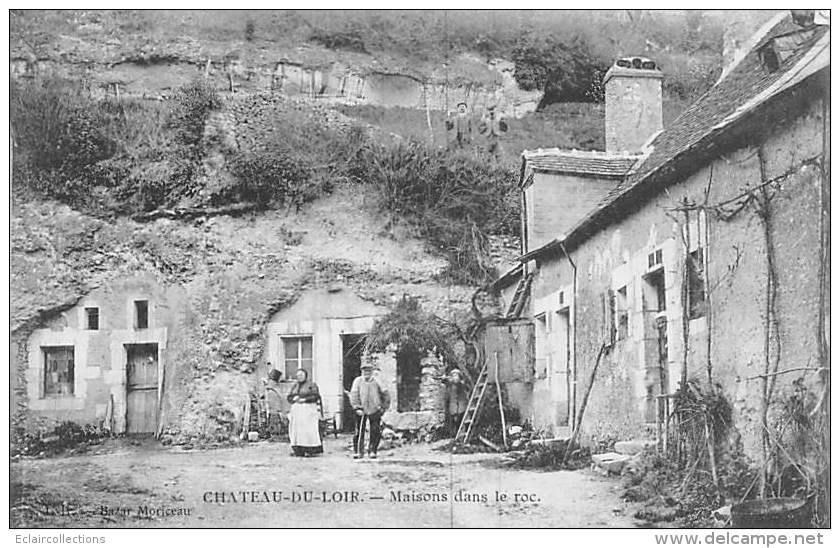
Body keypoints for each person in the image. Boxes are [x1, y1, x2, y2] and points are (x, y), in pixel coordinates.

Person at [349, 363, 391, 459]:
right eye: (364, 371)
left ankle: (372, 450)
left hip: (375, 409)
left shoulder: (378, 381)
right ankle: (358, 451)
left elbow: (386, 395)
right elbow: (354, 395)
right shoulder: (358, 381)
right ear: (362, 372)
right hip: (361, 409)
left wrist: (383, 408)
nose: (366, 373)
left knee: (375, 431)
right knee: (358, 431)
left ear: (372, 372)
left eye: (369, 371)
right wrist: (357, 407)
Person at [286, 368, 323, 457]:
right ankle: (298, 450)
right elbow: (289, 397)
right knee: (296, 430)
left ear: (305, 376)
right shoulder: (295, 386)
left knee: (307, 430)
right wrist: (293, 399)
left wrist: (304, 399)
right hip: (296, 411)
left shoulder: (312, 385)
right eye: (298, 376)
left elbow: (316, 396)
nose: (299, 377)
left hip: (308, 410)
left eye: (301, 375)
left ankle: (310, 450)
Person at [262, 367, 287, 439]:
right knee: (270, 422)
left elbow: (279, 402)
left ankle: (276, 435)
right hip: (269, 410)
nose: (270, 382)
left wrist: (279, 411)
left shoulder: (276, 391)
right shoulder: (268, 390)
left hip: (275, 411)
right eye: (269, 380)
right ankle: (271, 434)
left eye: (271, 381)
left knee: (275, 423)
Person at [444, 369, 470, 437]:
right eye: (453, 375)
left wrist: (452, 380)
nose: (454, 377)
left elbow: (460, 384)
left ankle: (460, 435)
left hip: (461, 406)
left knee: (460, 421)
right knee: (452, 422)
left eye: (456, 375)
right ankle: (453, 436)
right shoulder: (450, 386)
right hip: (453, 406)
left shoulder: (461, 384)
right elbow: (448, 395)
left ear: (459, 376)